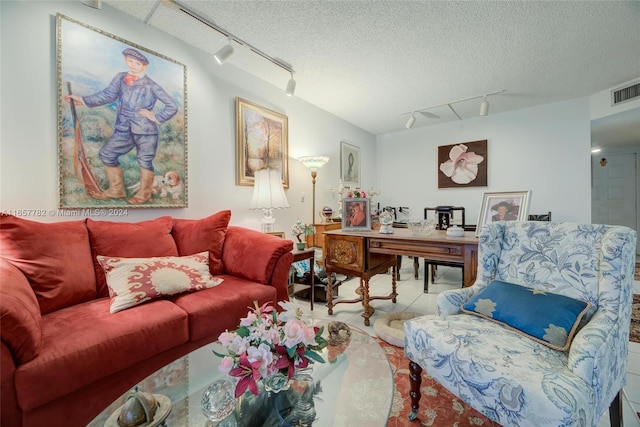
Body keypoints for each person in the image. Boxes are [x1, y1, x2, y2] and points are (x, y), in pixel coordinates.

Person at [65, 48, 178, 204]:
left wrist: (156, 117)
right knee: (107, 154)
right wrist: (83, 100)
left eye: (137, 63)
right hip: (123, 128)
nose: (132, 65)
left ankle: (144, 194)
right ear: (126, 61)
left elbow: (172, 106)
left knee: (145, 161)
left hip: (146, 131)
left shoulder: (152, 85)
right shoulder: (120, 78)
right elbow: (108, 94)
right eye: (130, 61)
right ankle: (116, 190)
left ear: (144, 66)